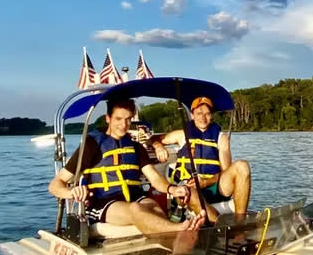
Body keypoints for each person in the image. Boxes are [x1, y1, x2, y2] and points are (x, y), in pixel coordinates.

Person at [48, 98, 205, 237]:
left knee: (156, 209)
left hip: (134, 196)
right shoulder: (91, 145)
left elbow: (155, 179)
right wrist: (70, 192)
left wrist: (172, 189)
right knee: (136, 209)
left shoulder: (135, 147)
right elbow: (55, 185)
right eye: (118, 119)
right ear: (108, 118)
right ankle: (178, 230)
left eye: (128, 119)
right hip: (103, 202)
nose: (123, 125)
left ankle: (178, 247)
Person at [152, 96, 252, 222]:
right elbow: (154, 139)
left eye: (207, 114)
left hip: (214, 187)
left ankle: (240, 221)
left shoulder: (221, 138)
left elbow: (225, 172)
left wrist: (206, 181)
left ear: (211, 116)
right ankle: (220, 227)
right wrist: (158, 146)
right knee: (189, 192)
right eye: (199, 113)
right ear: (192, 115)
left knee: (242, 166)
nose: (203, 118)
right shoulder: (182, 134)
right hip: (189, 188)